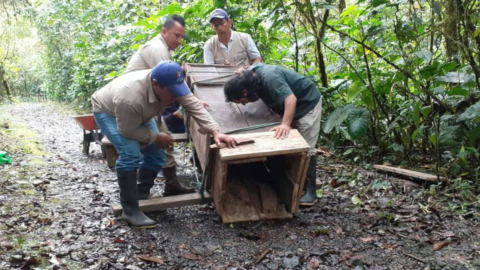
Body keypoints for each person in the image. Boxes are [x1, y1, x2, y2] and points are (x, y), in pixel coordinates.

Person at [92, 61, 237, 228]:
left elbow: (193, 104)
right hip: (108, 111)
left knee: (158, 152)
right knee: (130, 153)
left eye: (178, 91)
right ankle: (130, 210)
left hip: (140, 111)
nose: (176, 97)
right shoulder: (130, 97)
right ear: (155, 85)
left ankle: (141, 195)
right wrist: (155, 137)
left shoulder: (170, 82)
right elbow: (127, 131)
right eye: (172, 93)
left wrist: (215, 131)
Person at [224, 64, 322, 206]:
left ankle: (311, 192)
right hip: (289, 107)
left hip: (307, 104)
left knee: (307, 148)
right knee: (289, 141)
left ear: (244, 92)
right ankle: (287, 179)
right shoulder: (250, 75)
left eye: (241, 101)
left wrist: (286, 124)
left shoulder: (270, 79)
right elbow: (248, 69)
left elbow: (290, 99)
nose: (244, 105)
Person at [125, 15, 195, 196]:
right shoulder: (157, 49)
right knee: (156, 144)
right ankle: (139, 195)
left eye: (182, 37)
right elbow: (170, 82)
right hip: (135, 103)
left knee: (165, 138)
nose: (179, 41)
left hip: (150, 100)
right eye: (176, 35)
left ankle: (169, 184)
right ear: (164, 31)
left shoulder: (163, 48)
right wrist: (190, 103)